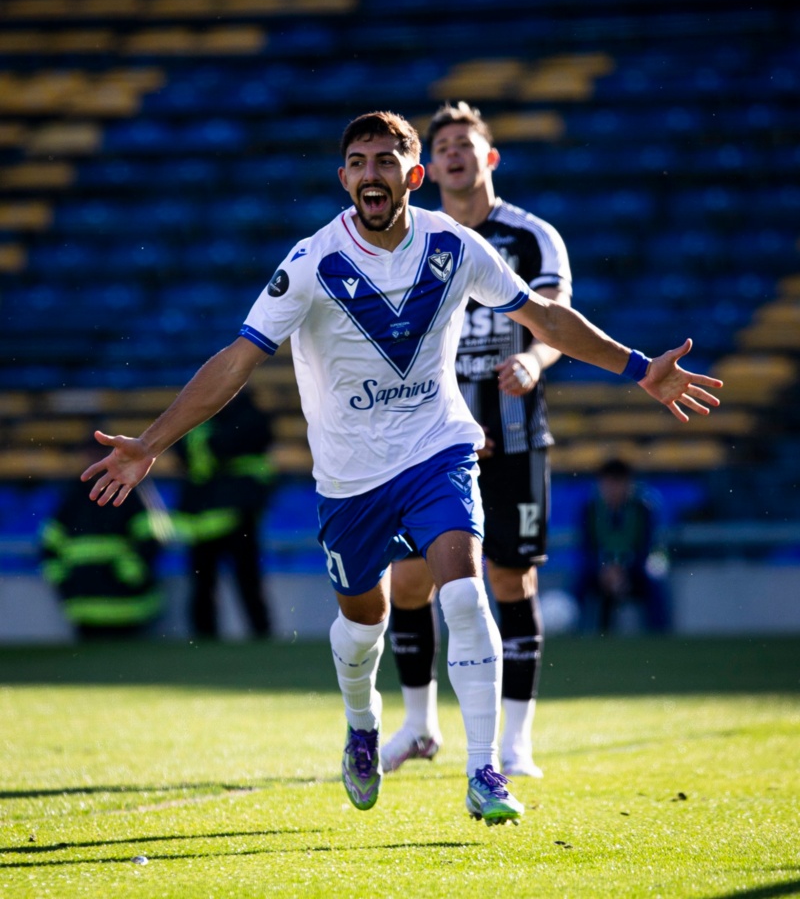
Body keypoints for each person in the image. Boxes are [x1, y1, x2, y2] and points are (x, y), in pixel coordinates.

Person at [80, 110, 722, 826]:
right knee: (364, 624)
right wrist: (155, 441)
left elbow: (543, 316)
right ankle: (362, 722)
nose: (370, 174)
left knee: (463, 591)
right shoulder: (312, 262)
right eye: (357, 162)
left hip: (437, 449)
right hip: (350, 479)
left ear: (412, 177)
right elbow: (238, 358)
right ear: (343, 178)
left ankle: (485, 771)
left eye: (386, 161)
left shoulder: (455, 245)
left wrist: (638, 368)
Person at [382, 102, 570, 780]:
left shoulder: (532, 237)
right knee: (408, 582)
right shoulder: (412, 242)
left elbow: (555, 321)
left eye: (467, 144)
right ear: (427, 169)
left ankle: (516, 744)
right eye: (444, 147)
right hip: (433, 443)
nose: (455, 154)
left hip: (516, 437)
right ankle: (418, 723)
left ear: (489, 159)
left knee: (509, 579)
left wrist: (534, 362)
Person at [175, 387, 274, 639]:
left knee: (237, 580)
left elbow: (201, 451)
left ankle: (254, 633)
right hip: (217, 515)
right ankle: (241, 634)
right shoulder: (241, 415)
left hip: (227, 514)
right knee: (214, 583)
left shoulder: (207, 419)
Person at [41, 469, 164, 640]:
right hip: (84, 608)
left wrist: (132, 571)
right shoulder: (73, 496)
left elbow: (151, 538)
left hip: (128, 607)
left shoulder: (129, 492)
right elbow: (49, 543)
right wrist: (63, 580)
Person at [577, 457, 672, 634]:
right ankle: (574, 635)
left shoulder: (642, 508)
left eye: (618, 483)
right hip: (600, 572)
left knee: (654, 585)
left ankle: (660, 637)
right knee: (579, 583)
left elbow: (647, 546)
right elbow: (587, 547)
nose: (613, 489)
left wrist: (623, 571)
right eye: (608, 483)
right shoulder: (590, 509)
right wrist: (604, 570)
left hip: (634, 571)